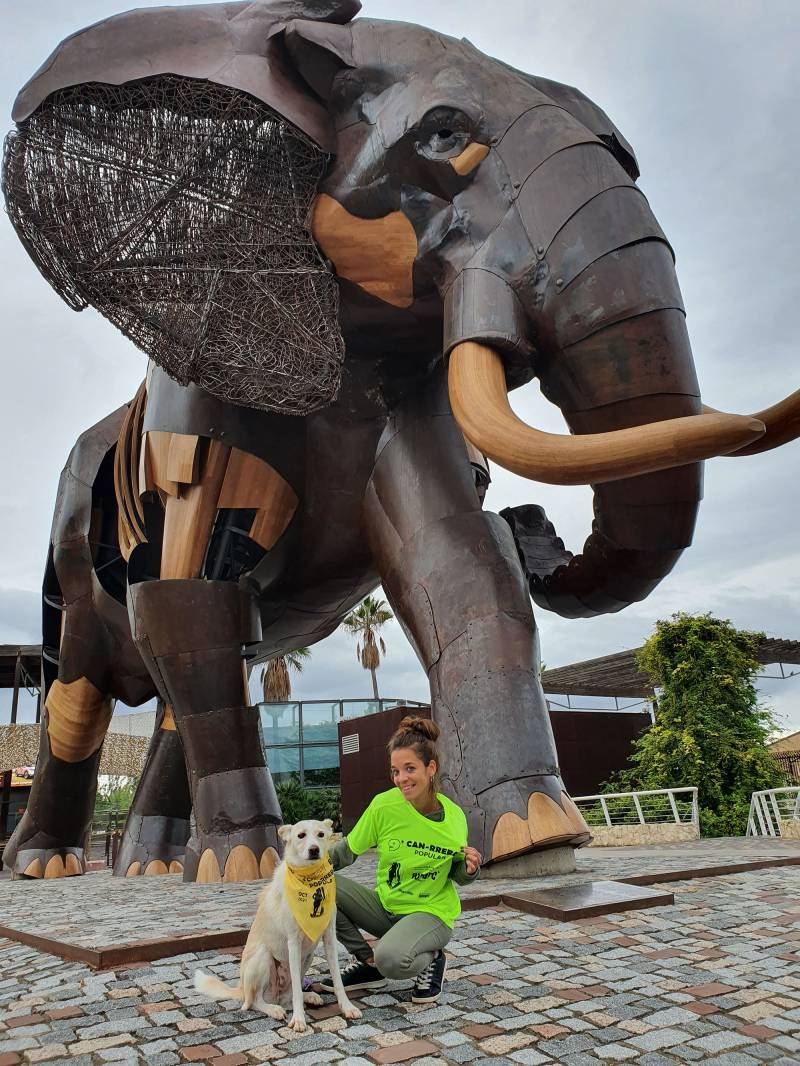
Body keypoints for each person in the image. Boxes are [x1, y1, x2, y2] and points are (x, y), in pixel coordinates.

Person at [317, 715, 481, 1004]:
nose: (401, 778)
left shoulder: (454, 817)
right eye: (395, 771)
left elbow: (456, 872)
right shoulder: (385, 806)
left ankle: (431, 959)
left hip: (430, 913)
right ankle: (368, 965)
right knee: (320, 885)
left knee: (392, 959)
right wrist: (300, 871)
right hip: (387, 907)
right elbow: (346, 852)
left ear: (431, 768)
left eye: (409, 769)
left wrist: (470, 869)